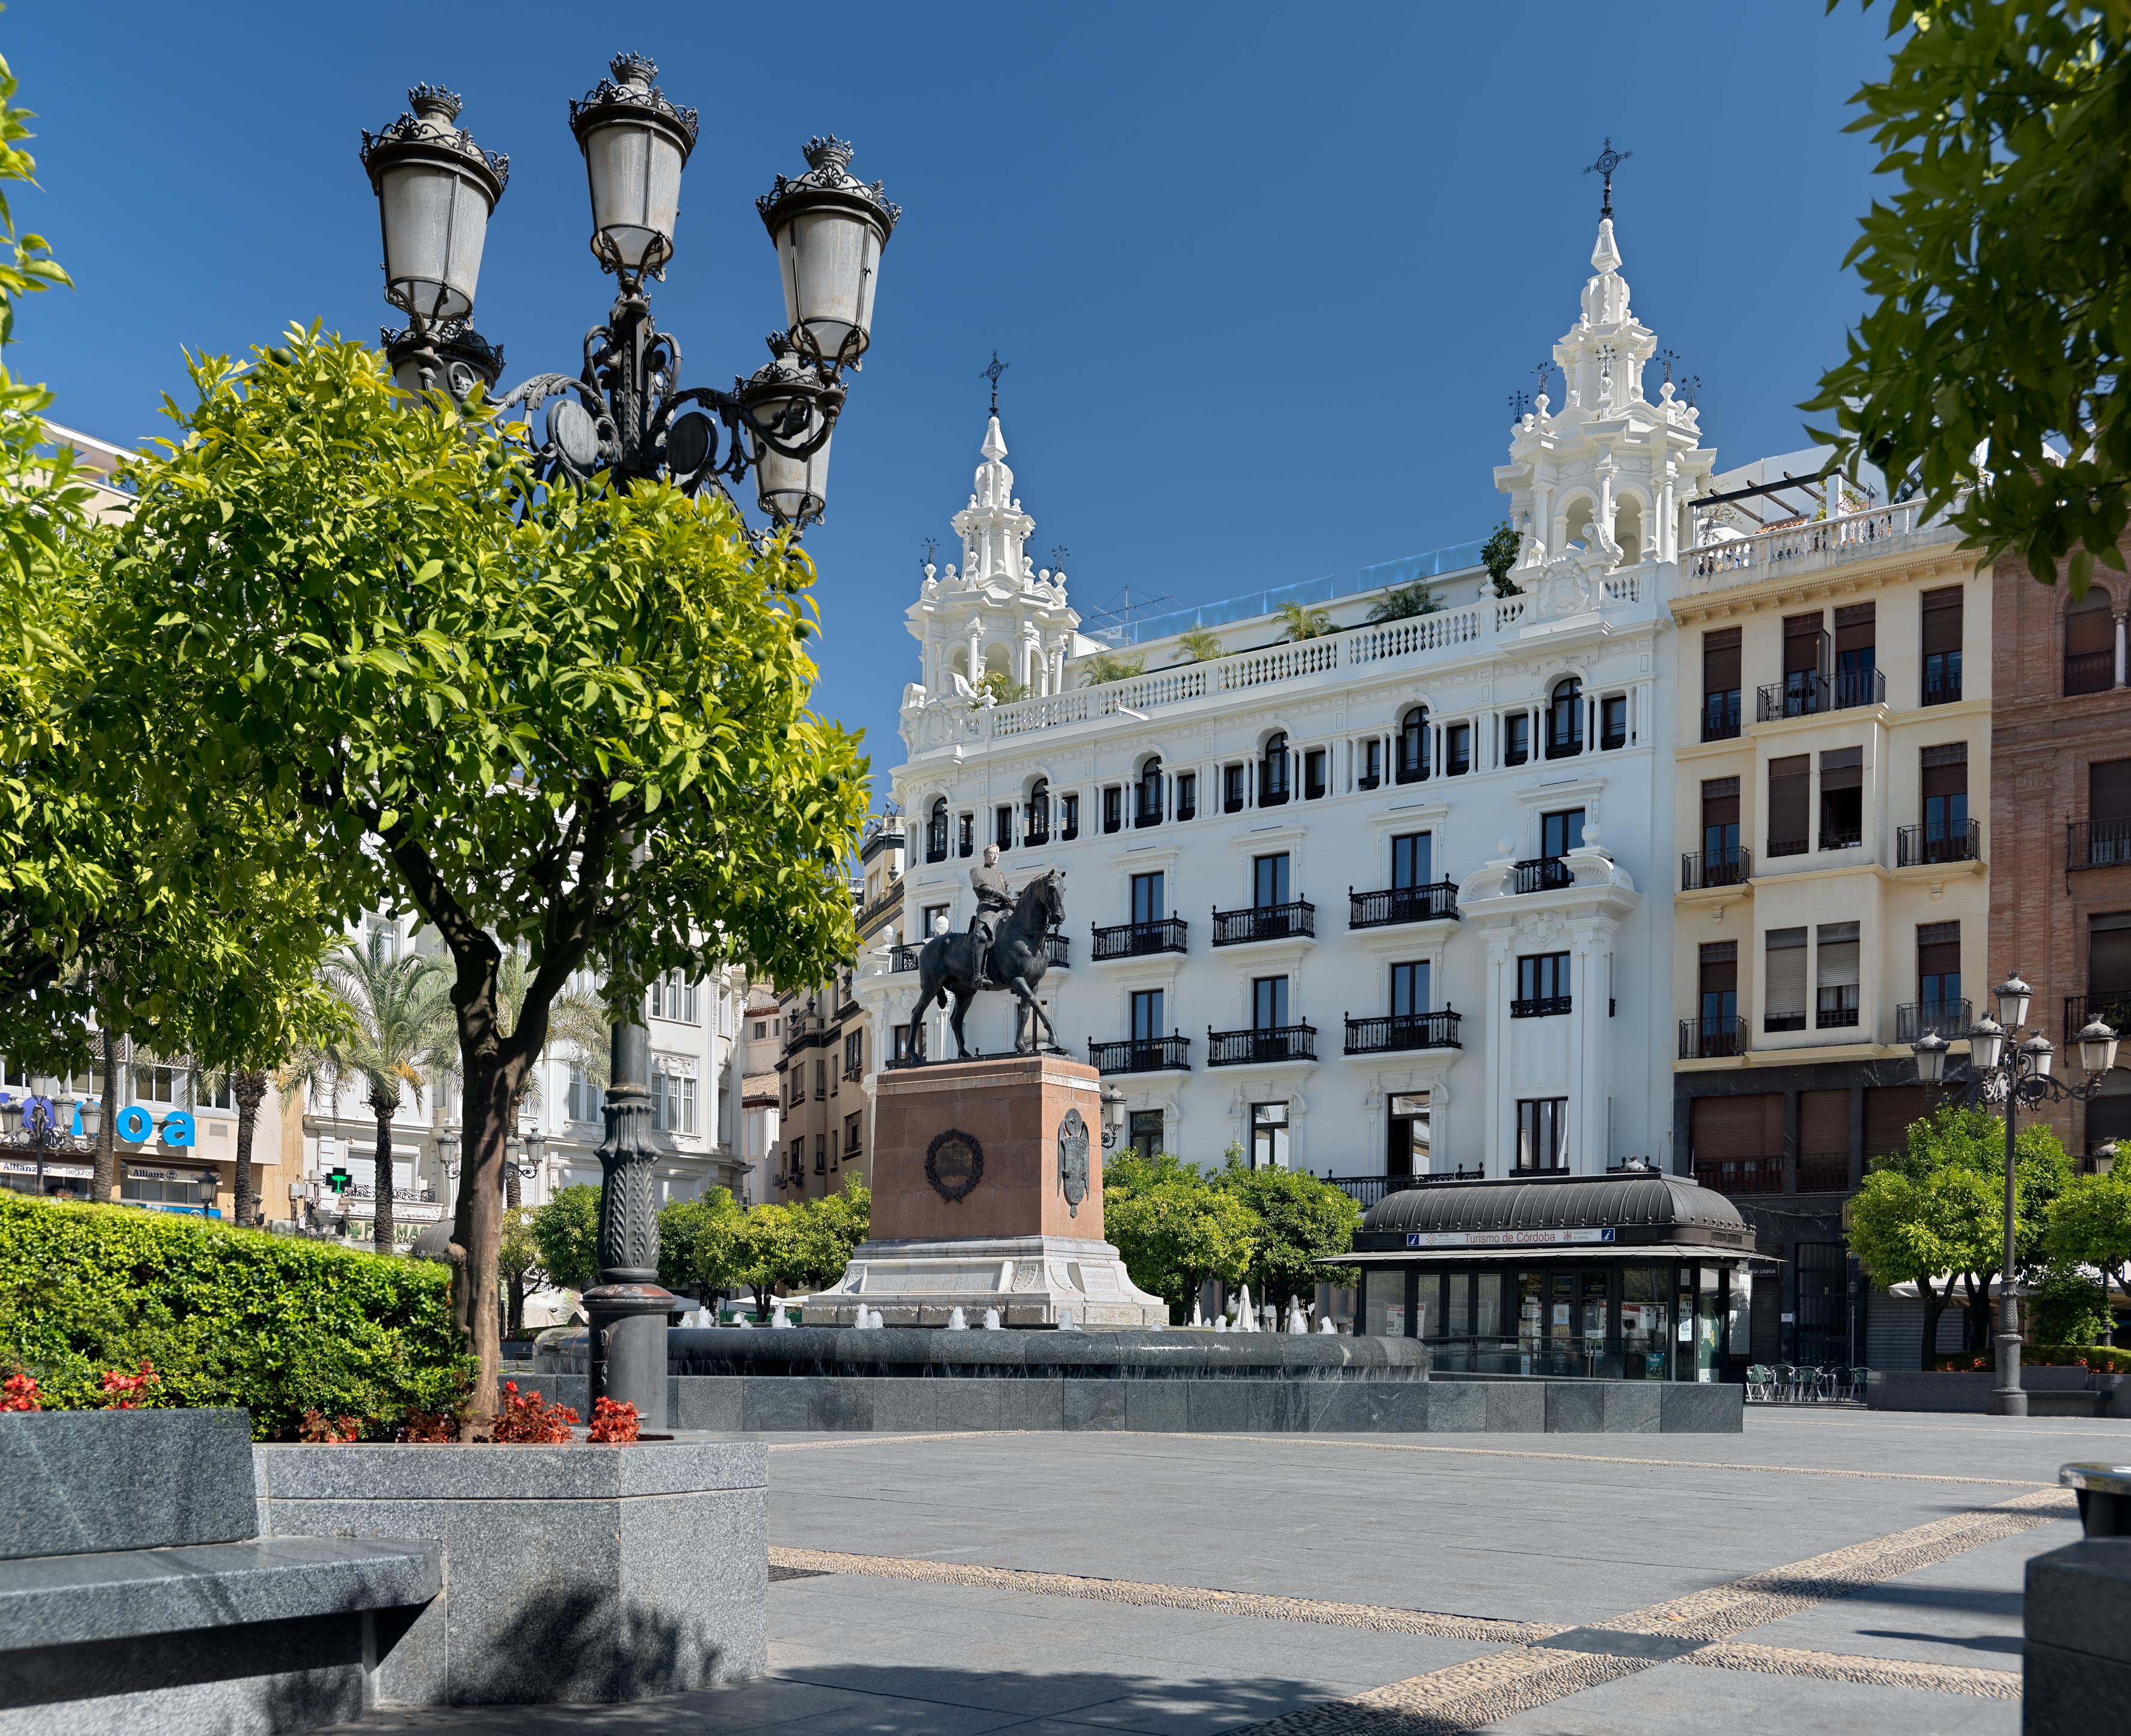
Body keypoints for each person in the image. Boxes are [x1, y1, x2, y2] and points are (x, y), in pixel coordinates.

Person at [968, 844, 1012, 988]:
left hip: (1002, 912)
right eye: (993, 853)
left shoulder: (1001, 875)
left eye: (997, 854)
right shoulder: (977, 870)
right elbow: (979, 886)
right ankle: (977, 977)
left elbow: (1008, 895)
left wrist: (1013, 903)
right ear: (986, 855)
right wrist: (997, 893)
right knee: (981, 937)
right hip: (986, 908)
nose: (996, 856)